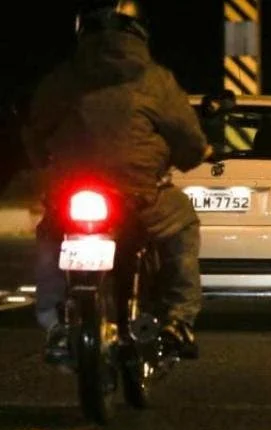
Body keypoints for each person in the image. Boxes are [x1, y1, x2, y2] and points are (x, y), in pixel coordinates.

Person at [22, 0, 210, 363]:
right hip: (138, 193)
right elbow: (187, 136)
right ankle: (179, 319)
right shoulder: (156, 79)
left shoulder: (62, 78)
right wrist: (192, 155)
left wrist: (39, 161)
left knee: (49, 235)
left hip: (72, 193)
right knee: (183, 225)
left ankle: (53, 321)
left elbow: (36, 129)